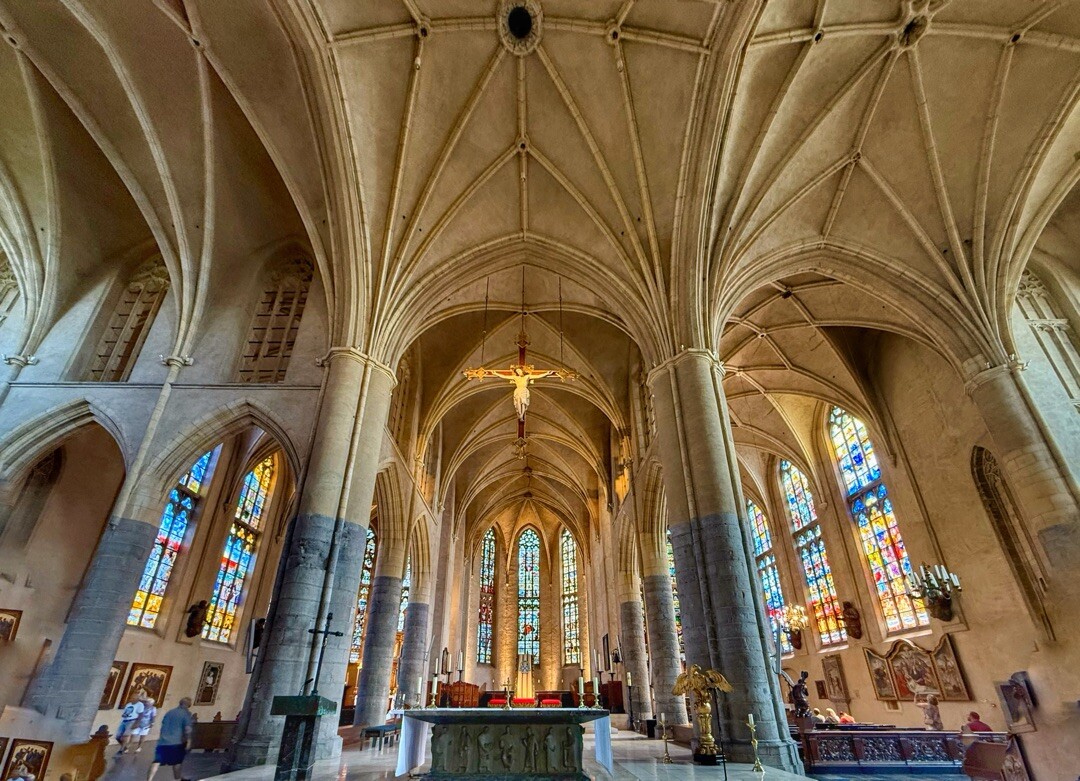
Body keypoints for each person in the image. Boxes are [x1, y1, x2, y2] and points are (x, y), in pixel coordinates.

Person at [148, 697, 194, 781]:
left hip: (163, 740)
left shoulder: (170, 712)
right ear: (188, 705)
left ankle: (149, 779)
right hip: (176, 741)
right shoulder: (185, 714)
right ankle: (177, 779)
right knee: (177, 762)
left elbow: (163, 724)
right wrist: (189, 740)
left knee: (156, 761)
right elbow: (187, 729)